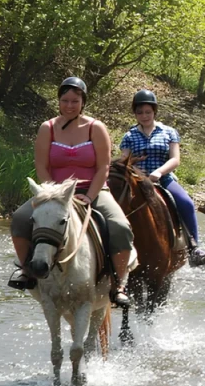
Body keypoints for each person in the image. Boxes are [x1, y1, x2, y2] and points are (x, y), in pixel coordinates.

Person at [8, 77, 133, 307]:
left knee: (120, 226)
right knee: (20, 218)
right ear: (59, 101)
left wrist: (90, 195)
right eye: (65, 100)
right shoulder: (48, 128)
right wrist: (54, 194)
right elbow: (41, 166)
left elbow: (104, 166)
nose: (69, 105)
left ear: (83, 102)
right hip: (54, 192)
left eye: (75, 101)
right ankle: (26, 271)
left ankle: (119, 283)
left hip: (91, 189)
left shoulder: (96, 128)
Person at [119, 90, 205, 267]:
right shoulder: (129, 136)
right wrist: (134, 167)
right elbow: (124, 161)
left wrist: (159, 173)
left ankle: (194, 248)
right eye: (140, 112)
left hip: (163, 179)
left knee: (186, 203)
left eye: (148, 112)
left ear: (154, 112)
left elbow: (175, 159)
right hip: (138, 182)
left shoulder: (168, 132)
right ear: (135, 114)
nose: (144, 116)